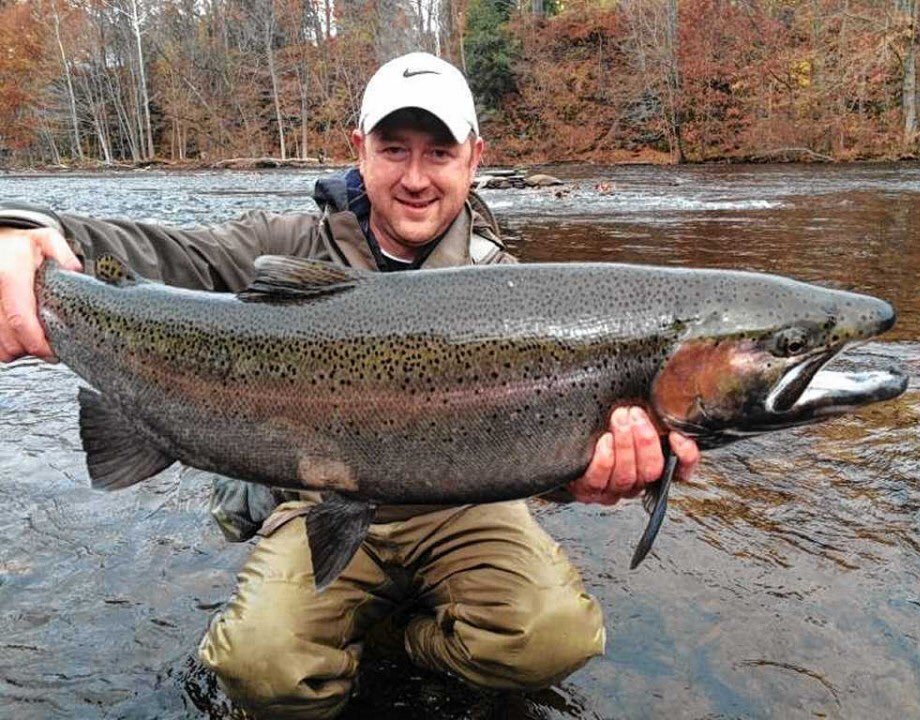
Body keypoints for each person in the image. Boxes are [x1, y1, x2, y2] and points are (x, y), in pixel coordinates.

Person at [0, 52, 700, 718]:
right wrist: (29, 232)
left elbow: (521, 444)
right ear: (358, 148)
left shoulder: (508, 284)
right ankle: (356, 641)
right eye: (395, 149)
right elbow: (162, 253)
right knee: (262, 672)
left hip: (457, 504)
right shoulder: (283, 243)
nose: (417, 177)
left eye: (440, 152)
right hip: (315, 493)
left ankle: (397, 644)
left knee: (552, 639)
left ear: (476, 159)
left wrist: (578, 478)